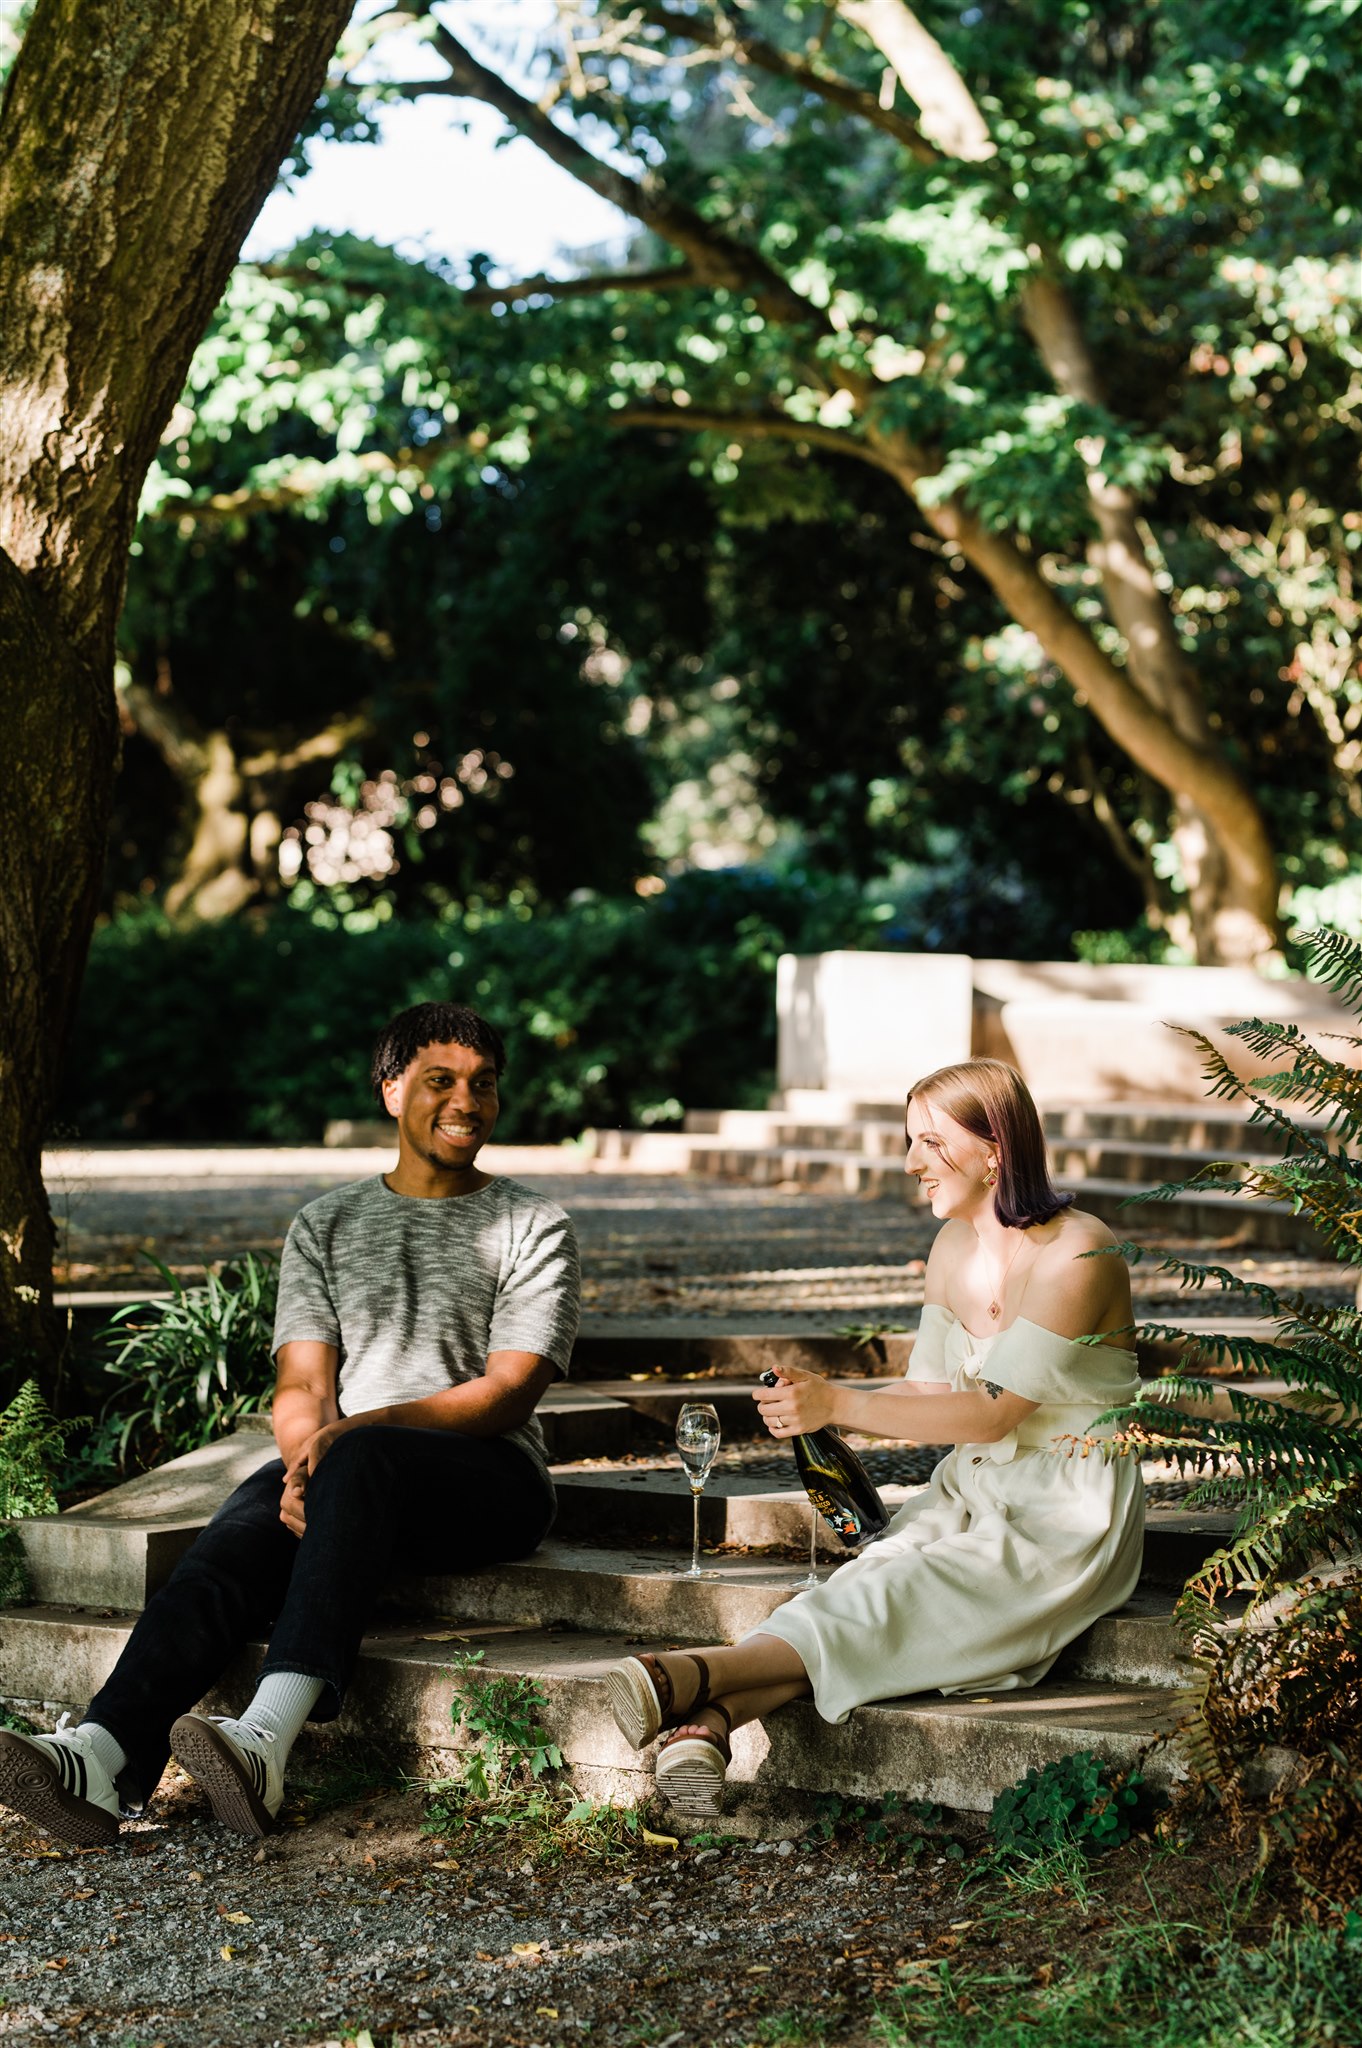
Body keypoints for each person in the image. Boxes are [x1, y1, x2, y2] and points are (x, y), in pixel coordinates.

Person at [0, 1001, 579, 1845]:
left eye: (484, 1084)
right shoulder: (327, 1224)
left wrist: (346, 1446)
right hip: (352, 1469)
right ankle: (101, 1753)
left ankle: (266, 1741)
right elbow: (303, 1382)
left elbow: (506, 1395)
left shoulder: (534, 1225)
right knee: (236, 1533)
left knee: (366, 1455)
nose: (468, 1101)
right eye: (440, 1081)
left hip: (492, 1479)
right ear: (390, 1091)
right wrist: (309, 1465)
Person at [606, 1057, 1143, 1815]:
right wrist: (817, 1400)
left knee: (905, 1587)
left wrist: (841, 1403)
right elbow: (930, 1390)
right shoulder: (954, 1250)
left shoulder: (1078, 1253)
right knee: (873, 1579)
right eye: (908, 1140)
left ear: (996, 1148)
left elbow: (992, 1412)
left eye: (929, 1140)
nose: (910, 1161)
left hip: (1067, 1507)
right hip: (975, 1488)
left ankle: (689, 1674)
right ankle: (715, 1717)